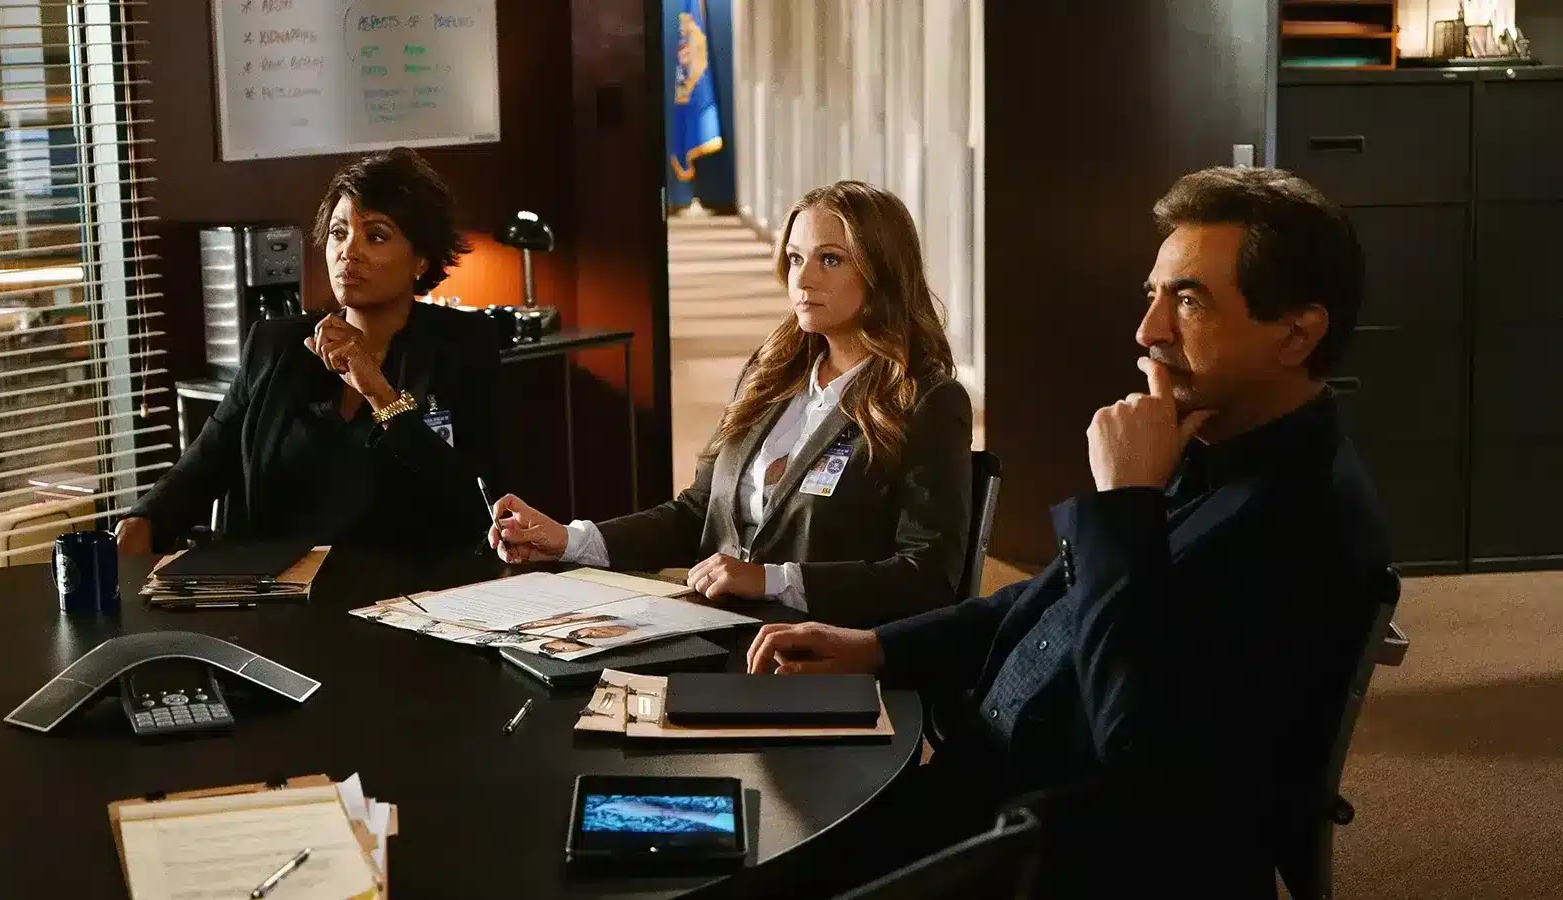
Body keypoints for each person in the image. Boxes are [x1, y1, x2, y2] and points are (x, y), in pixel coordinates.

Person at [744, 167, 1392, 896]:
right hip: (979, 790)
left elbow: (1147, 761)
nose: (1148, 331)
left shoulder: (1304, 524)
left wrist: (1125, 506)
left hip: (1049, 855)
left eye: (1188, 301)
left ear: (1296, 334)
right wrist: (874, 647)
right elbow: (1044, 600)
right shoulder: (1210, 440)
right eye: (1153, 295)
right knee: (740, 835)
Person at [489, 181, 973, 627]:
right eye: (795, 258)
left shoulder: (929, 402)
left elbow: (928, 577)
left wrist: (770, 580)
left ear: (883, 271)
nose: (803, 280)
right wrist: (569, 539)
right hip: (716, 624)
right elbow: (697, 512)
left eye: (830, 259)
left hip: (821, 646)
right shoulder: (769, 374)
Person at [117, 148, 504, 556]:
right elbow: (206, 463)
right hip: (273, 583)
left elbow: (474, 506)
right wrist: (145, 519)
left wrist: (379, 393)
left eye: (375, 236)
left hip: (406, 585)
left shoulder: (461, 346)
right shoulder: (275, 345)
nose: (348, 252)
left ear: (420, 260)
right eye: (339, 233)